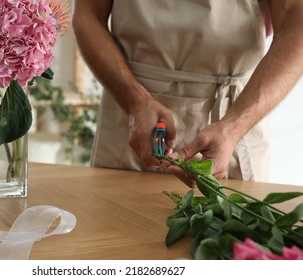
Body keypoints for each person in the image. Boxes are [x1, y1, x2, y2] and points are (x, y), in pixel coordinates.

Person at [72, 0, 303, 186]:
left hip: (233, 122)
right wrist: (135, 102)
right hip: (129, 122)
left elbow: (297, 28)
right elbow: (88, 16)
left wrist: (233, 128)